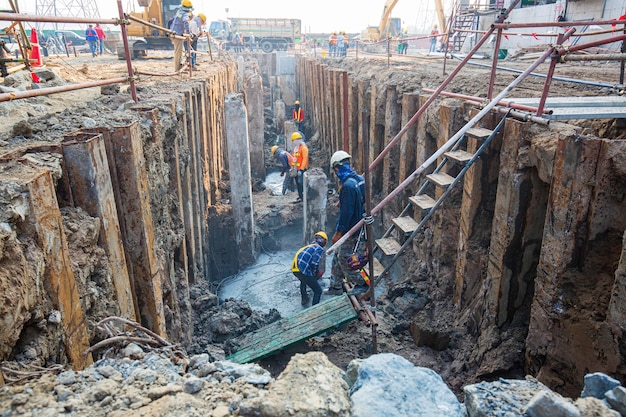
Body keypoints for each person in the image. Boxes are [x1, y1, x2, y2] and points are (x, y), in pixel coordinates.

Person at [329, 150, 369, 295]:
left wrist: (338, 233)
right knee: (336, 255)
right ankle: (335, 286)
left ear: (337, 168)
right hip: (359, 224)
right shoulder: (359, 179)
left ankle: (362, 284)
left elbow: (346, 213)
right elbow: (363, 199)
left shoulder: (347, 186)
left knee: (344, 259)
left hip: (352, 229)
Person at [291, 232, 328, 306]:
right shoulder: (319, 248)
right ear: (324, 242)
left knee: (303, 281)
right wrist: (316, 273)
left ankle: (304, 299)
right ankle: (314, 309)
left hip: (295, 269)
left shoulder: (309, 247)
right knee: (318, 291)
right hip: (303, 270)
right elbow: (314, 263)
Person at [169, 0, 193, 72]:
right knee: (178, 52)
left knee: (180, 51)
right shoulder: (184, 14)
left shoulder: (179, 12)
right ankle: (177, 69)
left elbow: (177, 21)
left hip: (173, 32)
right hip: (177, 34)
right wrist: (188, 33)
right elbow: (185, 22)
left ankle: (179, 66)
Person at [291, 131, 308, 202]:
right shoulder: (296, 148)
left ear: (298, 140)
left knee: (301, 183)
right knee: (297, 183)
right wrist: (292, 167)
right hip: (296, 169)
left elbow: (305, 159)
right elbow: (294, 158)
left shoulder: (304, 148)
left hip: (302, 169)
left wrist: (301, 170)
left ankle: (304, 197)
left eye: (294, 141)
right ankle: (300, 196)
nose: (294, 142)